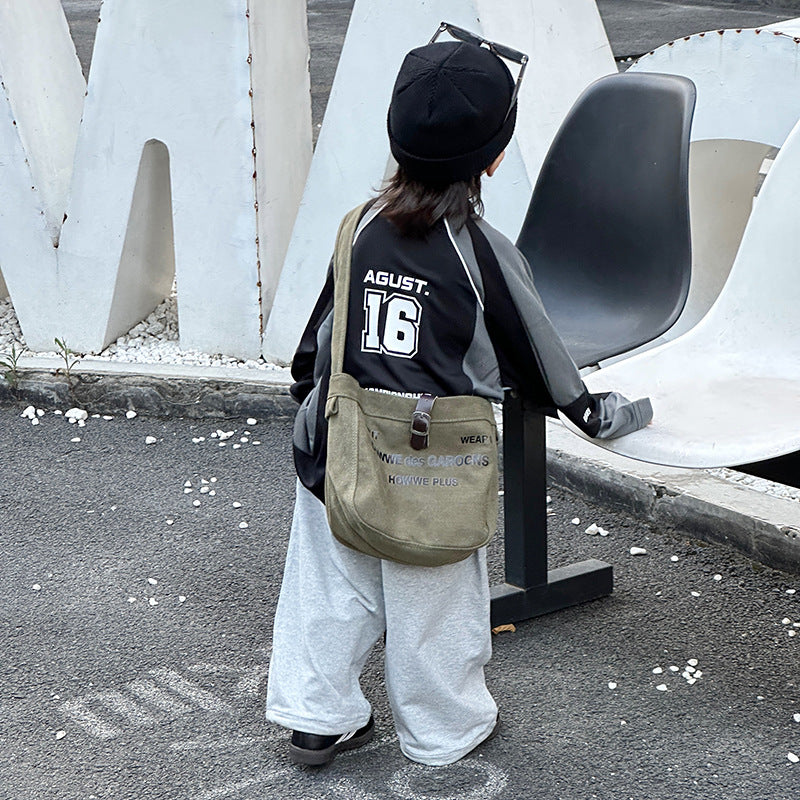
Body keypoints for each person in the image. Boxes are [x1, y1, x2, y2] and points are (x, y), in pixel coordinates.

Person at [265, 27, 652, 768]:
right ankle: (444, 731)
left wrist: (308, 401)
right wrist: (597, 411)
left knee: (327, 592)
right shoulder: (480, 251)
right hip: (428, 469)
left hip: (335, 451)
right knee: (433, 609)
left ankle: (318, 718)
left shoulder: (360, 226)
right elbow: (541, 361)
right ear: (495, 156)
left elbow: (317, 342)